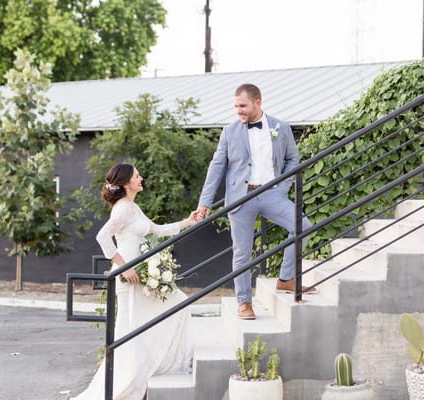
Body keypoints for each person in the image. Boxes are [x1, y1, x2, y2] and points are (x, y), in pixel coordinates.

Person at [72, 163, 199, 400]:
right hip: (129, 280)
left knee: (176, 306)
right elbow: (103, 237)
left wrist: (187, 222)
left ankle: (148, 374)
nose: (141, 178)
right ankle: (132, 385)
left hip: (142, 277)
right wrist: (124, 266)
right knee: (133, 332)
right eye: (137, 176)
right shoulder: (122, 210)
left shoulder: (133, 207)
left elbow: (156, 230)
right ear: (126, 183)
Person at [196, 83, 313, 320]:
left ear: (257, 102)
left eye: (243, 105)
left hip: (272, 193)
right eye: (236, 106)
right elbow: (217, 166)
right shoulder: (229, 131)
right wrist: (205, 202)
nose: (238, 110)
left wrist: (282, 187)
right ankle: (244, 302)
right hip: (240, 198)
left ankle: (286, 279)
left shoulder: (282, 127)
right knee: (242, 252)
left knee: (303, 226)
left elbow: (292, 159)